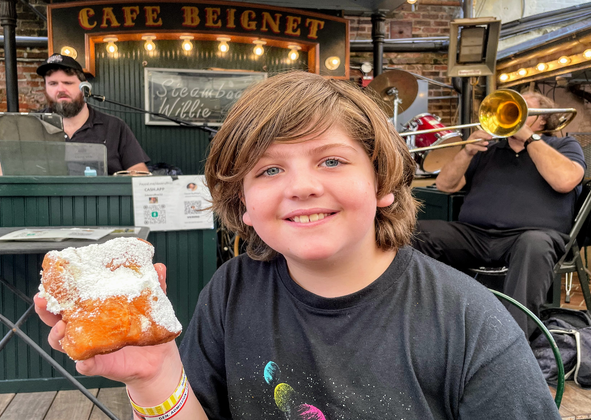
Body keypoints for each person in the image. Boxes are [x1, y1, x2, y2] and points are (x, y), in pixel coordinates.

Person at [35, 72, 561, 419]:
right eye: (269, 169)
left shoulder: (469, 322)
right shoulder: (232, 290)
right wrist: (152, 377)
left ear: (381, 183)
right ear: (243, 205)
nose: (301, 186)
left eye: (332, 160)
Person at [412, 90, 586, 338]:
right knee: (414, 233)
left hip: (531, 237)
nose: (512, 116)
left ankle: (513, 341)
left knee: (533, 245)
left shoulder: (562, 145)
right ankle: (425, 321)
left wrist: (528, 137)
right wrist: (467, 152)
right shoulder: (489, 150)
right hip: (476, 234)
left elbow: (565, 181)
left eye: (521, 111)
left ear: (542, 119)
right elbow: (445, 185)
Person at [36, 53, 150, 175]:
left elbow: (139, 173)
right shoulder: (31, 125)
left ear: (85, 87)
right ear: (45, 87)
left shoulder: (114, 126)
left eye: (68, 83)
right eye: (53, 83)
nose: (60, 89)